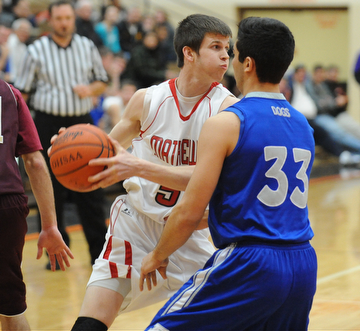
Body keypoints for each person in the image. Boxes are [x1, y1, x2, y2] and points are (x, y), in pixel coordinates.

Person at [140, 16, 318, 331]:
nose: (229, 59)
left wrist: (157, 254)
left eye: (233, 53)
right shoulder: (302, 125)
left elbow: (189, 211)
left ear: (246, 63)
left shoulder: (228, 122)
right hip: (303, 263)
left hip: (250, 262)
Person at [69, 13, 238, 330]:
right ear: (189, 53)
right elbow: (104, 149)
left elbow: (212, 179)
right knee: (90, 322)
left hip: (191, 232)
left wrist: (138, 166)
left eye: (227, 48)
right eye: (216, 47)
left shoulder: (227, 110)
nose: (225, 56)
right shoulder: (148, 100)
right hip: (136, 224)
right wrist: (70, 147)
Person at [14, 0, 109, 268]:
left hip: (81, 124)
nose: (64, 22)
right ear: (51, 20)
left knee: (91, 188)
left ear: (73, 19)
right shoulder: (36, 49)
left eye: (68, 18)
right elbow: (22, 91)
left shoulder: (86, 46)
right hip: (46, 122)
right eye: (59, 18)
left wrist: (91, 91)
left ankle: (98, 254)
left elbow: (103, 80)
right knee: (50, 189)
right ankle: (55, 255)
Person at [0, 79, 73, 330]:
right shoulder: (9, 93)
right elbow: (35, 161)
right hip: (6, 206)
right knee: (10, 307)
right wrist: (50, 225)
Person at [285, 64, 360, 166]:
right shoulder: (295, 86)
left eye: (304, 73)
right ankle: (344, 154)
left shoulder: (314, 86)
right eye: (300, 73)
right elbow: (321, 103)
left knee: (349, 129)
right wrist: (333, 102)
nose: (302, 75)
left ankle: (348, 153)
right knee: (334, 132)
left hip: (323, 115)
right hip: (311, 118)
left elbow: (327, 101)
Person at [307, 64, 360, 155]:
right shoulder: (310, 86)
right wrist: (334, 102)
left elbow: (333, 101)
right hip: (323, 115)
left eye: (321, 73)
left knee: (354, 129)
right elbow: (320, 104)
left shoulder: (323, 85)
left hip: (333, 114)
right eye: (318, 73)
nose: (320, 75)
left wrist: (334, 102)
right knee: (340, 133)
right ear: (314, 74)